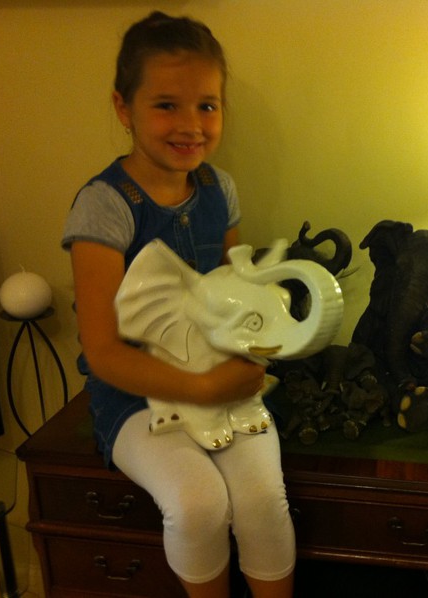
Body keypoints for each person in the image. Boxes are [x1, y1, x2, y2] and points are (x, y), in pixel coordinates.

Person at [61, 12, 295, 598]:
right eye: (167, 105)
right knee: (197, 503)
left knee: (263, 498)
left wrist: (253, 349)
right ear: (124, 108)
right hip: (134, 397)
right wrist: (203, 389)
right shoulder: (105, 205)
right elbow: (104, 352)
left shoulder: (220, 189)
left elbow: (235, 298)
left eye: (207, 106)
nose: (191, 125)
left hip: (216, 375)